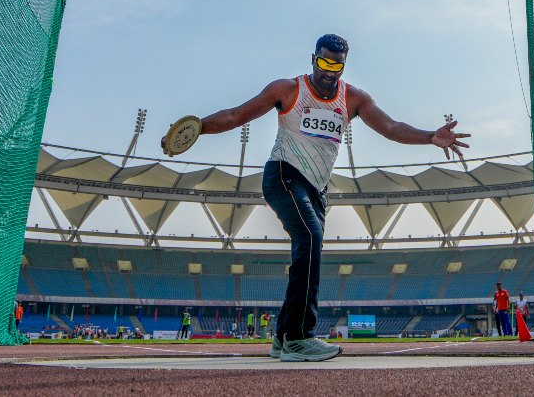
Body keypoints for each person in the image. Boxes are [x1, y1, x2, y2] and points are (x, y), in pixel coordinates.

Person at [165, 34, 469, 362]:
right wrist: (196, 129)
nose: (329, 70)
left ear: (343, 66)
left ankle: (283, 336)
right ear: (313, 59)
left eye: (336, 65)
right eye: (324, 62)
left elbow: (391, 127)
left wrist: (430, 137)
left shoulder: (353, 98)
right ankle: (300, 337)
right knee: (310, 238)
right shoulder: (287, 90)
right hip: (283, 175)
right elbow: (235, 115)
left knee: (308, 249)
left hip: (316, 189)